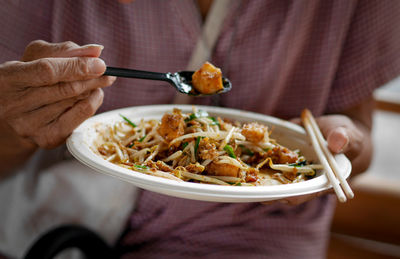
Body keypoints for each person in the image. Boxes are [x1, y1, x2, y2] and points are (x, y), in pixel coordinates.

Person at [0, 0, 399, 258]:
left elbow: (356, 142)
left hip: (255, 240)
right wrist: (15, 121)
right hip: (72, 220)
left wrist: (344, 144)